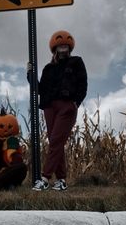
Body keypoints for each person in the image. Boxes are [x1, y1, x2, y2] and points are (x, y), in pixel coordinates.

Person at [27, 30, 87, 191]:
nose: (63, 46)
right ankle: (61, 180)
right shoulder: (48, 68)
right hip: (49, 107)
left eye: (65, 44)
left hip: (66, 106)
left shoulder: (76, 62)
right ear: (54, 48)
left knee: (55, 142)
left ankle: (45, 178)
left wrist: (75, 103)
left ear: (69, 47)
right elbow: (40, 89)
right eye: (60, 44)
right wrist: (30, 75)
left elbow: (83, 84)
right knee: (56, 143)